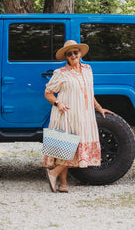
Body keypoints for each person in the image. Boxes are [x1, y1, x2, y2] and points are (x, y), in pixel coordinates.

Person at [43, 40, 111, 193]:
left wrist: (99, 108)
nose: (73, 55)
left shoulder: (87, 69)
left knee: (74, 146)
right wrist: (58, 103)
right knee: (67, 146)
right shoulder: (60, 73)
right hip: (67, 113)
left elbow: (89, 92)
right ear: (66, 57)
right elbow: (48, 93)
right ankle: (60, 179)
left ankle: (58, 179)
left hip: (85, 114)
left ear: (80, 54)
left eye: (75, 52)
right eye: (69, 53)